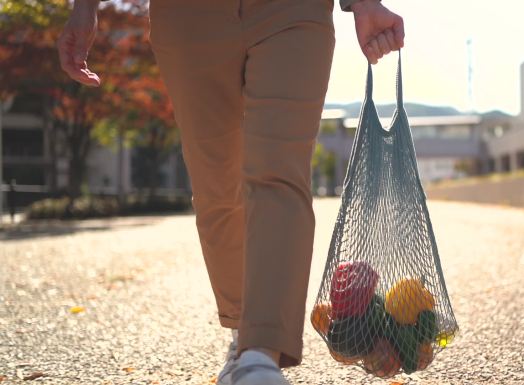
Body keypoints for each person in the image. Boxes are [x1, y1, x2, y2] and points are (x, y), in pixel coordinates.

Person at [57, 0, 403, 384]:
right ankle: (244, 333)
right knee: (216, 187)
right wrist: (84, 7)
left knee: (279, 172)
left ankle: (260, 356)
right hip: (187, 15)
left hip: (293, 10)